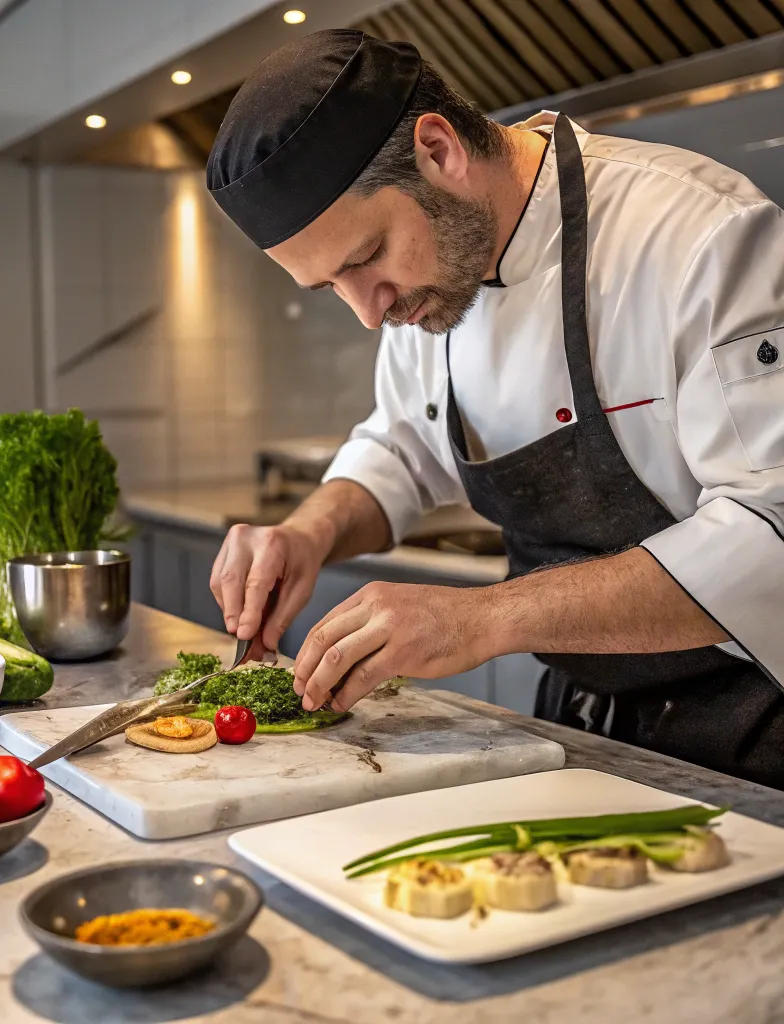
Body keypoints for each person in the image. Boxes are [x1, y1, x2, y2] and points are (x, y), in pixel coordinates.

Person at [205, 29, 784, 787]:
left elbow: (769, 529)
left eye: (365, 258)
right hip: (584, 735)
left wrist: (481, 618)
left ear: (439, 151)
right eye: (330, 288)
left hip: (755, 733)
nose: (369, 315)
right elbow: (405, 449)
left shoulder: (698, 235)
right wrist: (307, 534)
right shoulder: (428, 288)